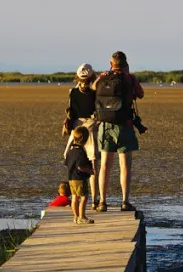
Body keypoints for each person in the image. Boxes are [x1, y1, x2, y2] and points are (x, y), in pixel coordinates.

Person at [92, 51, 144, 212]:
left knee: (105, 166)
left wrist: (102, 76)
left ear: (111, 63)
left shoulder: (103, 77)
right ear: (125, 63)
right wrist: (129, 76)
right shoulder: (129, 78)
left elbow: (93, 88)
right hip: (124, 125)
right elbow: (140, 94)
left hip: (105, 125)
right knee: (125, 166)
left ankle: (102, 202)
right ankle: (124, 201)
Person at [62, 63, 100, 209]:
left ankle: (77, 198)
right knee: (92, 164)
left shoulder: (72, 92)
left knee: (73, 160)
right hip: (91, 126)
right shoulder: (95, 92)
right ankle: (94, 200)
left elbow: (71, 112)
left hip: (77, 128)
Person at [64, 127, 95, 224]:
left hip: (71, 178)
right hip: (79, 178)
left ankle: (76, 217)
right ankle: (82, 216)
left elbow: (66, 163)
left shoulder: (71, 151)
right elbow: (80, 166)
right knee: (84, 197)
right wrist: (89, 170)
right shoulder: (80, 152)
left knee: (74, 198)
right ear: (85, 139)